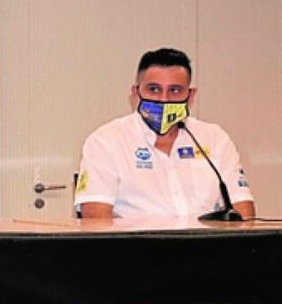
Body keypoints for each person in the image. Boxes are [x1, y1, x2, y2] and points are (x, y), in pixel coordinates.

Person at [75, 48, 254, 219]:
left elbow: (243, 211)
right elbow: (95, 221)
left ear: (190, 96)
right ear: (136, 93)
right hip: (136, 241)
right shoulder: (105, 141)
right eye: (154, 89)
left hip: (207, 241)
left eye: (175, 90)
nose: (164, 99)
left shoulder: (214, 138)